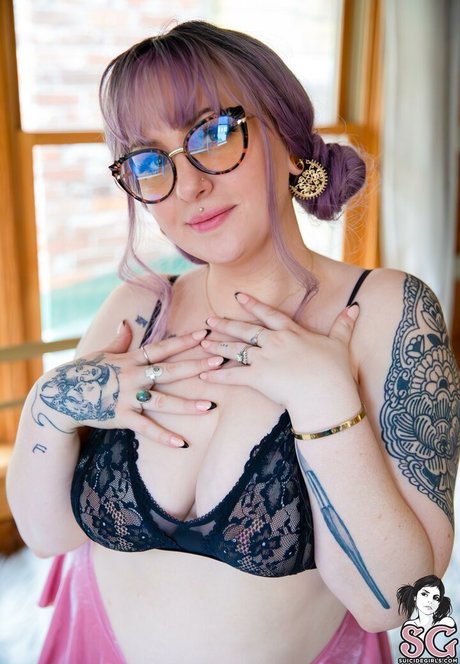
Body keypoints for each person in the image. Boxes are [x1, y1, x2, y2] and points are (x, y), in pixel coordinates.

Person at [6, 20, 459, 664]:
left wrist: (326, 404)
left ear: (289, 139)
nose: (188, 185)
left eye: (214, 133)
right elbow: (48, 536)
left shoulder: (389, 310)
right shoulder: (138, 308)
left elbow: (399, 605)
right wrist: (49, 406)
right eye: (149, 160)